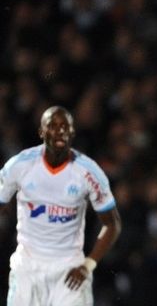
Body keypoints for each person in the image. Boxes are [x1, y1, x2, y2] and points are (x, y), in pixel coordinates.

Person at [0, 106, 121, 305]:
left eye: (65, 126)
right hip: (28, 267)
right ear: (41, 132)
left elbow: (112, 224)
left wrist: (87, 265)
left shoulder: (88, 172)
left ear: (72, 132)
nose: (60, 131)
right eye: (53, 126)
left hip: (69, 268)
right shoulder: (19, 165)